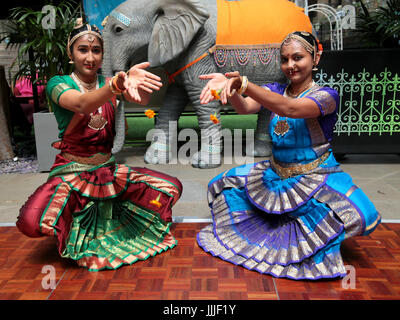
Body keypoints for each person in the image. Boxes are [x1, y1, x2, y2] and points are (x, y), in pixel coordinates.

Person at [196, 31, 381, 280]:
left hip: (315, 173)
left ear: (316, 58)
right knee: (222, 185)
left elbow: (290, 108)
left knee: (359, 214)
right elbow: (246, 108)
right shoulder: (275, 89)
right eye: (285, 59)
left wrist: (245, 84)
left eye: (298, 57)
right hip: (276, 171)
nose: (290, 66)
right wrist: (231, 92)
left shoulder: (327, 96)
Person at [16, 21, 182, 271]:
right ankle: (75, 225)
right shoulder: (58, 83)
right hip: (72, 170)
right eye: (83, 50)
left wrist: (134, 85)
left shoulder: (110, 82)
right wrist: (115, 87)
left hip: (108, 171)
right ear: (71, 54)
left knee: (171, 188)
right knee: (31, 222)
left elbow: (142, 98)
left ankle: (95, 228)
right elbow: (82, 104)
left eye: (96, 51)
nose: (90, 57)